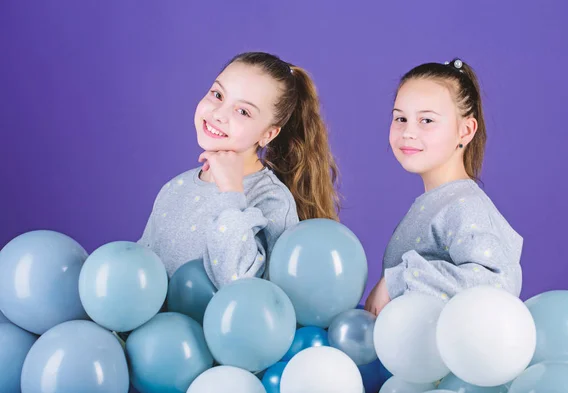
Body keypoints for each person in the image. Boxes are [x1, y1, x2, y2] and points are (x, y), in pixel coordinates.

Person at [139, 52, 339, 289]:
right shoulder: (175, 188)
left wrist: (231, 194)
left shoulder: (272, 200)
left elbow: (244, 291)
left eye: (243, 111)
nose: (219, 114)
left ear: (268, 134)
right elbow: (142, 268)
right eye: (217, 95)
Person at [365, 58, 523, 316]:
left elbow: (498, 284)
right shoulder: (435, 202)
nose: (408, 132)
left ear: (466, 130)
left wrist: (399, 280)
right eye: (400, 118)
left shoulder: (465, 205)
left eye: (426, 120)